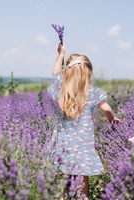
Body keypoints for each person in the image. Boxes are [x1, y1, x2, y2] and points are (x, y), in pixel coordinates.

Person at [47, 43, 121, 199]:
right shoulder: (92, 92)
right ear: (89, 73)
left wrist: (61, 54)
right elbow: (107, 109)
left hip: (63, 143)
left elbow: (55, 74)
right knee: (82, 177)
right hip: (83, 145)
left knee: (66, 176)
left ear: (66, 73)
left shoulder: (61, 90)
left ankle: (65, 197)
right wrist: (112, 119)